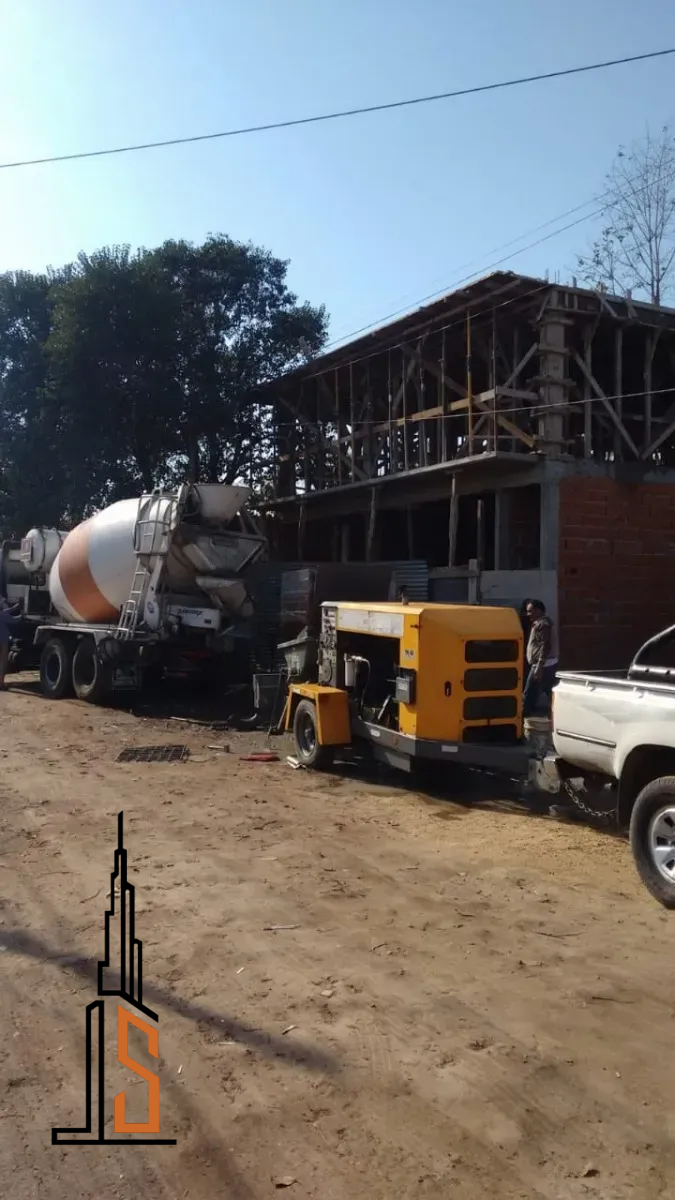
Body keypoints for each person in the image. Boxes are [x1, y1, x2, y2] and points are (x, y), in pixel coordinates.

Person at [522, 599, 558, 718]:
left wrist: (539, 666)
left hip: (542, 665)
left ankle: (526, 721)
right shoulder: (540, 623)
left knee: (529, 694)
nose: (528, 614)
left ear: (538, 610)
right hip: (545, 664)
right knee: (548, 692)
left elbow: (544, 645)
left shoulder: (542, 624)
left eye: (530, 611)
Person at [0, 598, 22, 689]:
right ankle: (1, 684)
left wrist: (15, 607)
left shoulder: (2, 614)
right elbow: (15, 620)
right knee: (3, 663)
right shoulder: (2, 615)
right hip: (2, 641)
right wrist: (22, 614)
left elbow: (6, 611)